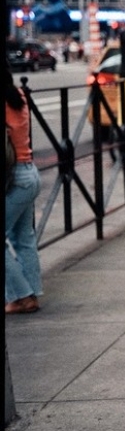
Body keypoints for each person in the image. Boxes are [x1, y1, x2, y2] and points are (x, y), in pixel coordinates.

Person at [5, 63, 43, 315]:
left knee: (21, 239)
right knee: (24, 239)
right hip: (29, 173)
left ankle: (21, 295)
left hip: (13, 177)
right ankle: (31, 294)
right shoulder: (18, 95)